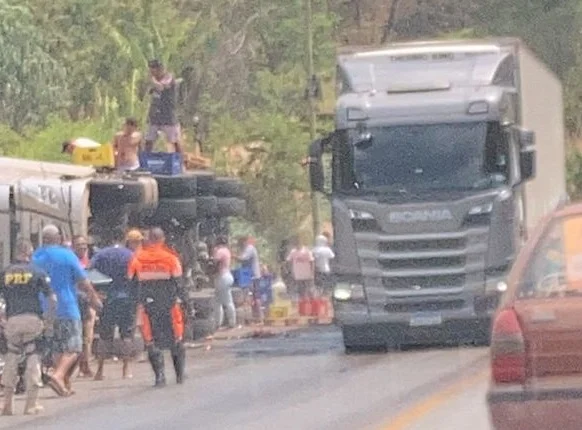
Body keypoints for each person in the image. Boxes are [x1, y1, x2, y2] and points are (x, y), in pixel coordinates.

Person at [32, 225, 102, 397]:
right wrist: (94, 298)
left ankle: (64, 385)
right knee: (74, 347)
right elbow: (83, 281)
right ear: (58, 238)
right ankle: (58, 375)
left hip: (44, 309)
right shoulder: (67, 255)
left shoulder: (35, 257)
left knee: (57, 348)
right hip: (67, 307)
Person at [0, 239, 56, 415]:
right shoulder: (37, 272)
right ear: (29, 253)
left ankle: (7, 404)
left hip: (12, 320)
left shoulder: (5, 272)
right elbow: (52, 299)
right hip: (32, 318)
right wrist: (49, 320)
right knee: (33, 355)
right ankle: (31, 404)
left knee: (11, 355)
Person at [128, 227, 188, 387]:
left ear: (149, 240)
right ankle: (180, 375)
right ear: (162, 240)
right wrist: (186, 304)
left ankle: (159, 377)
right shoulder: (171, 258)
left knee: (151, 341)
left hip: (148, 308)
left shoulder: (137, 259)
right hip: (169, 306)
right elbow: (179, 284)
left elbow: (132, 283)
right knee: (177, 339)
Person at [91, 228, 136, 380]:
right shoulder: (130, 255)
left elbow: (89, 271)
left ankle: (99, 370)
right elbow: (136, 275)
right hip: (126, 298)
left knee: (104, 335)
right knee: (127, 335)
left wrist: (97, 290)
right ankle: (126, 370)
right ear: (124, 239)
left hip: (107, 298)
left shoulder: (101, 254)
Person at [144, 60, 183, 156]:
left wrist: (152, 80)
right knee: (149, 139)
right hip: (155, 115)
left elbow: (161, 87)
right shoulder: (153, 80)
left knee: (174, 140)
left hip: (168, 115)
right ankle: (146, 162)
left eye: (153, 70)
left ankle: (181, 162)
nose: (152, 73)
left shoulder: (168, 77)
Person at [72, 234, 96, 378]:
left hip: (87, 302)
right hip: (74, 303)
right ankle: (76, 367)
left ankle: (85, 366)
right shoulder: (71, 261)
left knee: (87, 337)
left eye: (84, 245)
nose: (82, 247)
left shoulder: (89, 261)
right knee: (77, 336)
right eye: (79, 245)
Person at [237, 236, 262, 320]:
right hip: (249, 275)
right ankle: (255, 316)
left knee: (255, 296)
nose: (239, 245)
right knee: (252, 296)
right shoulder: (246, 249)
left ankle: (259, 316)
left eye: (240, 242)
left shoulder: (249, 248)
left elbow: (243, 259)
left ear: (244, 242)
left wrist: (233, 256)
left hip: (253, 276)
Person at [213, 236, 236, 329]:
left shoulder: (219, 251)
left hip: (222, 276)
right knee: (222, 301)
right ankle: (226, 322)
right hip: (227, 275)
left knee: (222, 301)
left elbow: (215, 262)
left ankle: (224, 322)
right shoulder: (227, 250)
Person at [286, 237, 315, 302]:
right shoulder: (293, 252)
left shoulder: (307, 251)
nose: (297, 245)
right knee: (300, 290)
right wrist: (291, 270)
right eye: (295, 243)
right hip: (298, 275)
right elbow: (288, 260)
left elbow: (312, 262)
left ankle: (311, 303)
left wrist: (312, 272)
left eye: (298, 243)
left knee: (308, 290)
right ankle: (303, 304)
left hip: (307, 274)